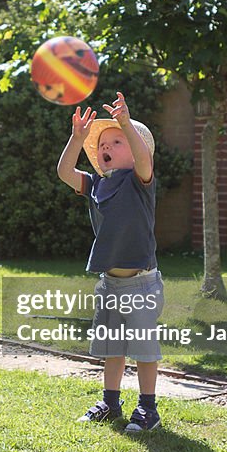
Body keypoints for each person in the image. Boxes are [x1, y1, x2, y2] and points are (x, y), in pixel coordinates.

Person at [57, 91, 164, 433]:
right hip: (110, 283)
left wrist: (125, 124)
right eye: (102, 144)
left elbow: (144, 160)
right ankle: (111, 402)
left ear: (134, 152)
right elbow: (63, 172)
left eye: (117, 141)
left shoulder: (139, 182)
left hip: (141, 281)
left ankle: (148, 408)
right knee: (112, 346)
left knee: (144, 349)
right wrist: (77, 139)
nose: (106, 146)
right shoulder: (96, 185)